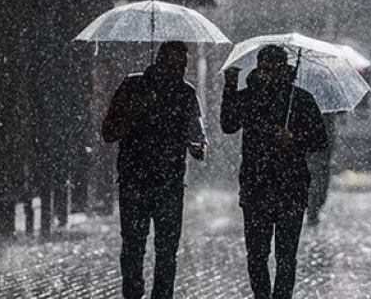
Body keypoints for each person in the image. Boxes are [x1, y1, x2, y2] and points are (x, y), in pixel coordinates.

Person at [221, 45, 329, 299]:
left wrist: (294, 138)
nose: (266, 73)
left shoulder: (300, 100)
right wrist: (230, 88)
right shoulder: (249, 97)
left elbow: (319, 140)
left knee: (286, 255)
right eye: (263, 67)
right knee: (257, 255)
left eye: (272, 68)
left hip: (290, 188)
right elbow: (228, 124)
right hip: (256, 186)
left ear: (284, 69)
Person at [102, 41, 207, 299]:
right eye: (172, 64)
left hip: (169, 183)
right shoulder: (133, 87)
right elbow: (109, 132)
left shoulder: (185, 93)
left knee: (167, 252)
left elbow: (197, 134)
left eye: (181, 65)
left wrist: (197, 147)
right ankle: (133, 294)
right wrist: (137, 110)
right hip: (134, 181)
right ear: (159, 61)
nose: (176, 71)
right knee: (133, 248)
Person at [306, 112, 338, 227]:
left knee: (319, 183)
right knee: (318, 182)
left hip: (321, 155)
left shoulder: (329, 114)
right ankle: (312, 210)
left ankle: (313, 209)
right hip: (316, 154)